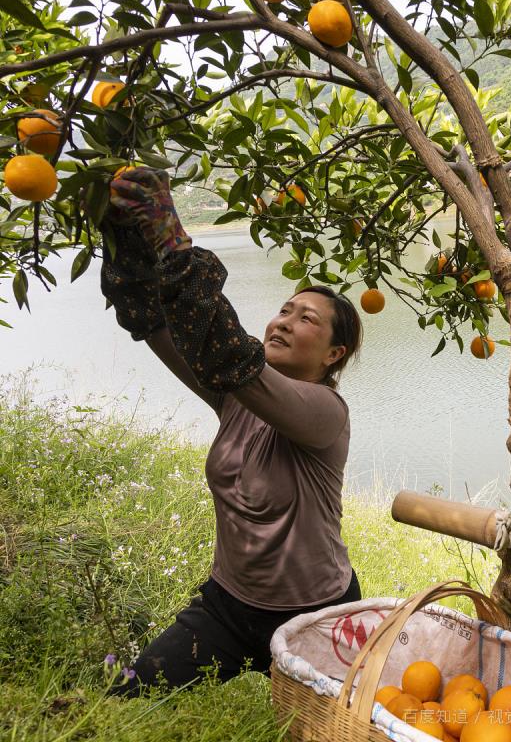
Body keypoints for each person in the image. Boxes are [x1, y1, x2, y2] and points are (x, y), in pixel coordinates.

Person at [100, 167, 364, 695]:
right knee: (125, 696)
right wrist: (124, 236)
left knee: (334, 730)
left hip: (315, 614)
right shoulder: (234, 393)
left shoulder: (324, 413)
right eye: (284, 310)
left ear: (334, 354)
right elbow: (153, 323)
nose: (283, 321)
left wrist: (174, 242)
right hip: (227, 606)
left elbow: (224, 349)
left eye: (307, 319)